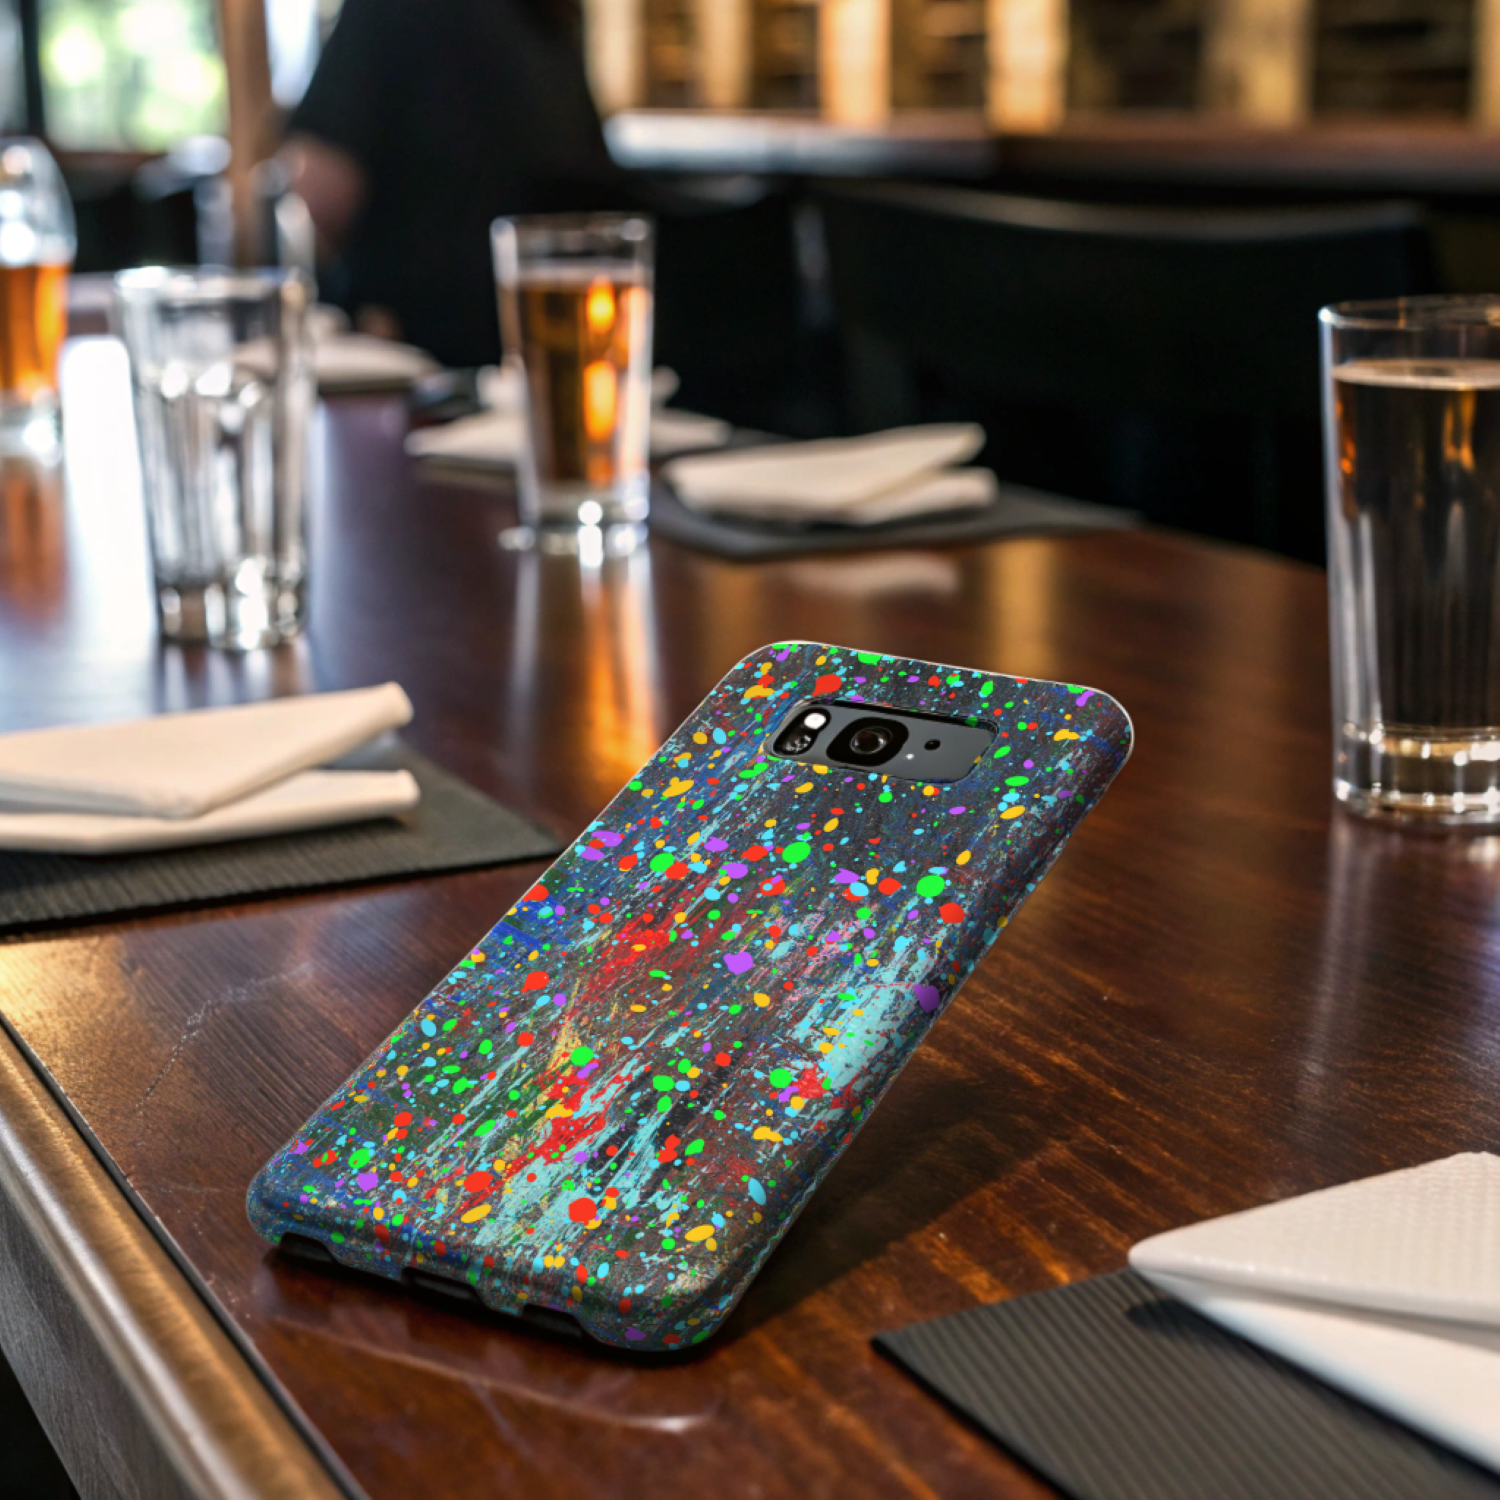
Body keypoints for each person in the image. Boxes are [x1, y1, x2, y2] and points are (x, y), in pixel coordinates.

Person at [282, 0, 626, 367]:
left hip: (421, 373)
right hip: (546, 365)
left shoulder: (387, 10)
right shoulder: (552, 16)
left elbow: (312, 202)